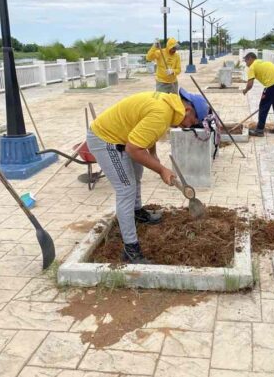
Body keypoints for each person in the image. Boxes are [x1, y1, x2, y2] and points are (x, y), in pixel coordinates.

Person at [87, 87, 209, 263]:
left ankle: (136, 213)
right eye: (193, 122)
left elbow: (147, 131)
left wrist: (153, 155)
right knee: (126, 189)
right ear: (188, 110)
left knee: (137, 171)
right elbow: (133, 148)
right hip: (106, 139)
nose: (189, 126)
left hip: (123, 135)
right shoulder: (162, 113)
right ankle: (130, 249)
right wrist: (161, 169)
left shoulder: (169, 106)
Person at [242, 52, 274, 136]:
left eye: (246, 61)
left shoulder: (252, 67)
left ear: (250, 59)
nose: (246, 63)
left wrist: (245, 90)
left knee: (263, 106)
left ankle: (259, 130)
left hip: (272, 84)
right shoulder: (262, 62)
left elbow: (250, 84)